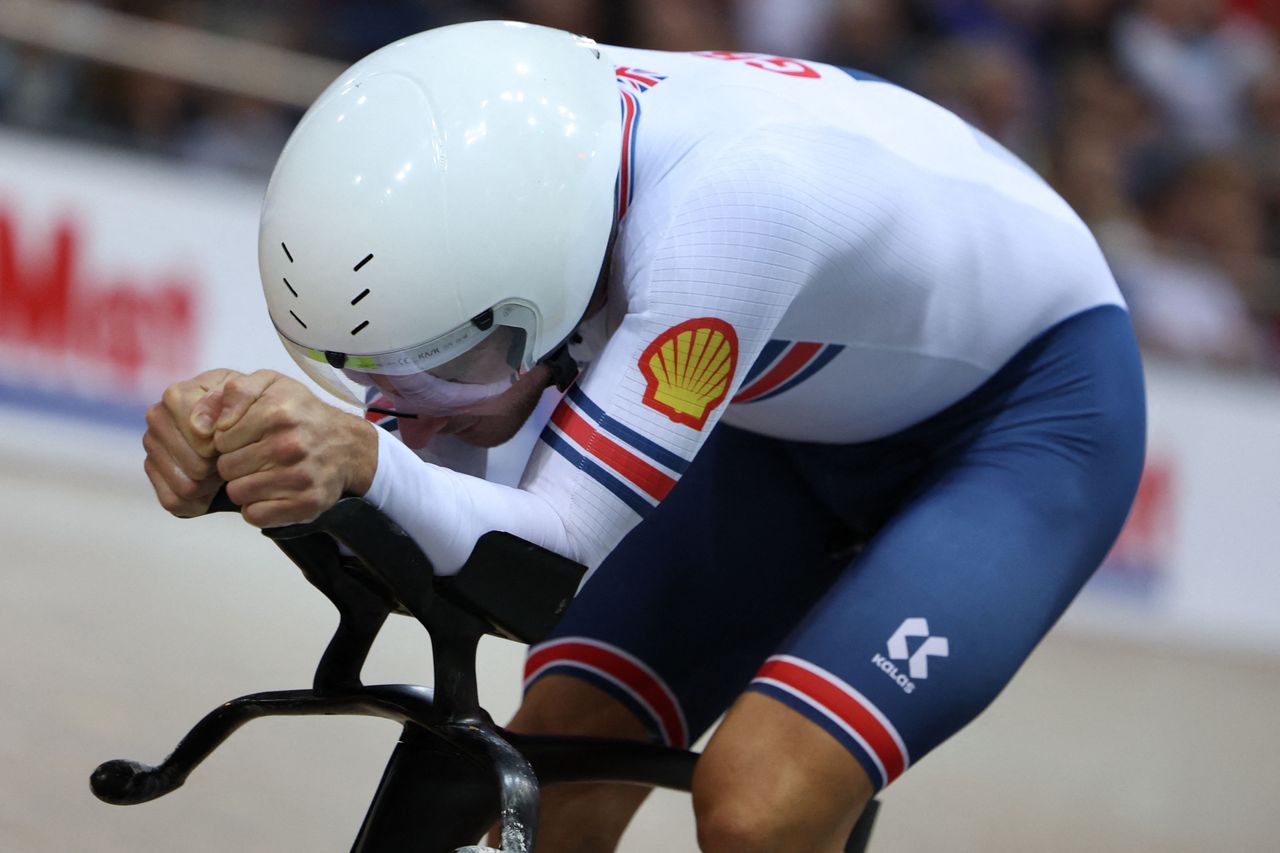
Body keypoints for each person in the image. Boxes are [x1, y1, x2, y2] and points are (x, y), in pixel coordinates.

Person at [142, 21, 1146, 852]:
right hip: (790, 419)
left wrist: (356, 463)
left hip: (1027, 419)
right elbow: (416, 476)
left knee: (760, 806)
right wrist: (248, 452)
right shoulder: (520, 145)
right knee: (558, 762)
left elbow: (533, 564)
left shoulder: (723, 217)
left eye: (451, 361)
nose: (419, 401)